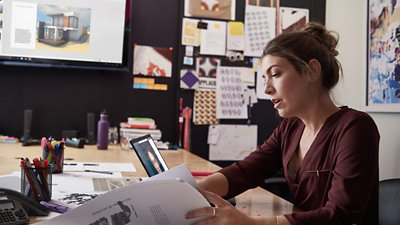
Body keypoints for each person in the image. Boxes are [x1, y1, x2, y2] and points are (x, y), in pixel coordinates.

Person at [185, 22, 380, 225]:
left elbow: (341, 216)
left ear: (311, 71)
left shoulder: (355, 127)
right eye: (264, 78)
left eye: (275, 74)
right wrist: (191, 191)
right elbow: (246, 171)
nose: (267, 89)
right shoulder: (290, 128)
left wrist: (250, 223)